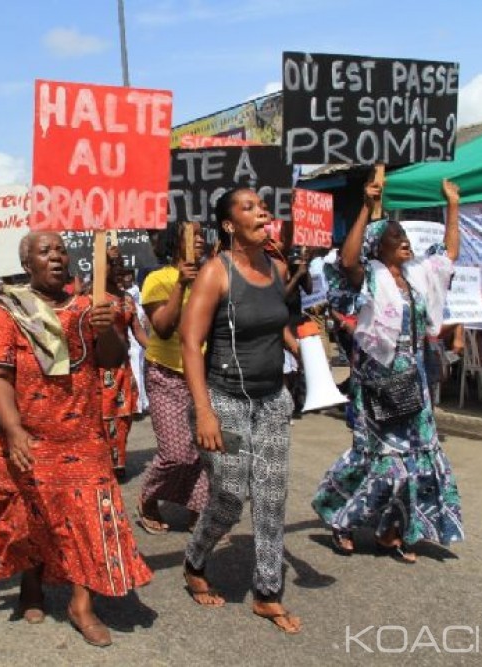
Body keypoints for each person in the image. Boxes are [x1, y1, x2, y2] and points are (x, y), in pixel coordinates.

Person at [0, 232, 152, 648]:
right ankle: (31, 584)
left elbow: (111, 360)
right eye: (44, 251)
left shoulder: (90, 307)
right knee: (34, 514)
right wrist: (13, 429)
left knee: (91, 516)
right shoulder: (7, 312)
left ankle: (81, 604)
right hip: (30, 435)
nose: (55, 256)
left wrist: (107, 330)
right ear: (27, 264)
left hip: (82, 436)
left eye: (60, 250)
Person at [312, 177, 465, 564]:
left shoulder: (415, 276)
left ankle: (391, 532)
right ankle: (341, 518)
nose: (403, 240)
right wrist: (365, 206)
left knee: (417, 458)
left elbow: (448, 254)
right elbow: (347, 261)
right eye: (393, 235)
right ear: (377, 248)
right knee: (381, 460)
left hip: (413, 379)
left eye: (404, 234)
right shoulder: (370, 278)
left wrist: (452, 206)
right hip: (377, 379)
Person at [178, 188, 302, 634]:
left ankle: (267, 593)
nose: (261, 212)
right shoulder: (216, 272)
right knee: (230, 496)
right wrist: (204, 411)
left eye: (261, 205)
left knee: (271, 495)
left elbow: (276, 322)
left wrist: (298, 346)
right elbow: (190, 342)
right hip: (224, 402)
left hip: (271, 402)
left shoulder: (277, 267)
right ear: (229, 225)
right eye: (248, 207)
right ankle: (195, 561)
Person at [135, 220, 209, 534]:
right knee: (176, 453)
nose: (201, 240)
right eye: (193, 235)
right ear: (175, 242)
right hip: (167, 375)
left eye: (203, 234)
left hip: (204, 376)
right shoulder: (158, 279)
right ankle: (148, 499)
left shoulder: (211, 276)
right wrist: (181, 283)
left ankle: (199, 508)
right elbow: (162, 328)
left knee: (205, 450)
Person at [99, 248, 148, 477]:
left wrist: (161, 353)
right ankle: (104, 465)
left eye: (120, 262)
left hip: (123, 370)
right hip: (97, 373)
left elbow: (138, 332)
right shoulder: (90, 298)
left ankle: (119, 464)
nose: (117, 267)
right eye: (112, 263)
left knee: (123, 419)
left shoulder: (127, 299)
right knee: (102, 421)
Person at [119, 268, 150, 416]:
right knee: (135, 372)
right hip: (129, 342)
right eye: (123, 275)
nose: (126, 277)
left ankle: (143, 403)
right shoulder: (119, 296)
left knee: (141, 371)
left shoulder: (136, 293)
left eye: (128, 274)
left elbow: (140, 320)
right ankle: (137, 406)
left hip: (139, 341)